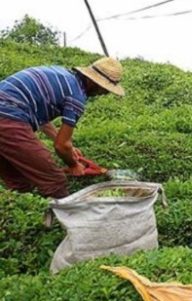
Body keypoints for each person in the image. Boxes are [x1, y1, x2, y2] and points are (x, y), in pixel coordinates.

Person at [0, 57, 124, 198]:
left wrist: (68, 148)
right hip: (7, 119)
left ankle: (22, 210)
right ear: (93, 82)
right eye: (104, 89)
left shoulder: (63, 76)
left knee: (19, 182)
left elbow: (41, 118)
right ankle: (65, 218)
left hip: (7, 113)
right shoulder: (76, 96)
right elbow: (61, 146)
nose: (104, 93)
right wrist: (73, 165)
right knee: (55, 180)